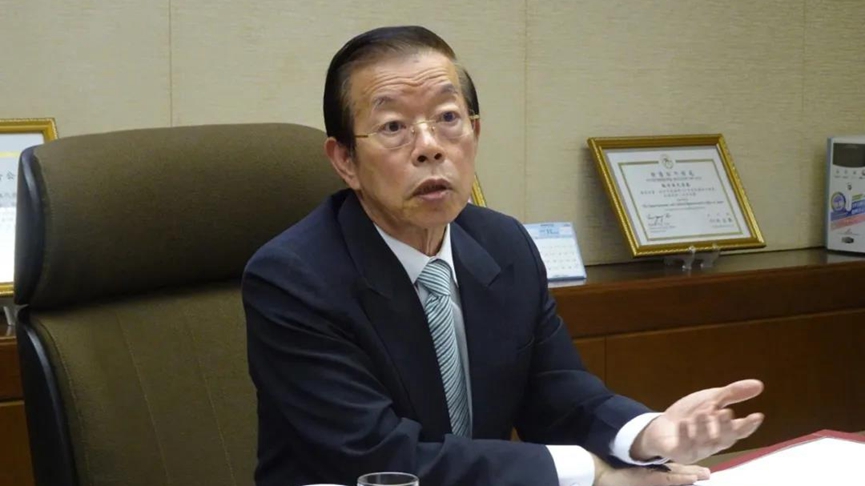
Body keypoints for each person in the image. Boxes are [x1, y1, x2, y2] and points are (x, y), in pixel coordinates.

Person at [242, 25, 764, 486]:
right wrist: (590, 472)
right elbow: (380, 458)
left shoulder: (502, 244)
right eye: (394, 127)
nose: (429, 146)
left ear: (475, 132)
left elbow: (556, 393)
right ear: (345, 161)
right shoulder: (293, 278)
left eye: (448, 117)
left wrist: (650, 433)